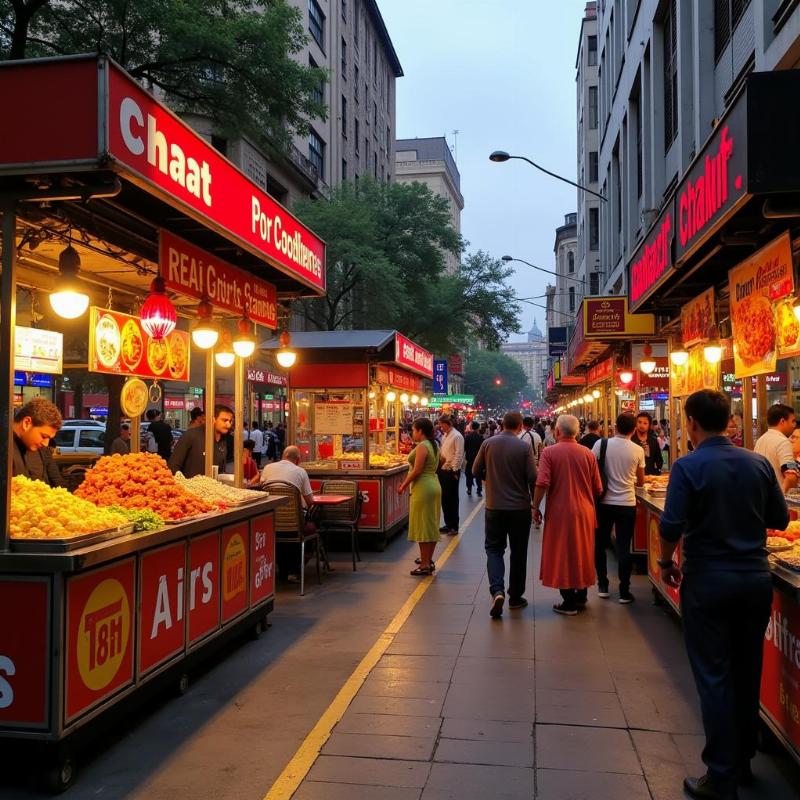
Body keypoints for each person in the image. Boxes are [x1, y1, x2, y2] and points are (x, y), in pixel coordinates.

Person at [659, 390, 788, 800]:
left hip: (708, 581)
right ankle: (744, 758)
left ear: (692, 422)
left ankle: (721, 774)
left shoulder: (688, 466)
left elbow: (670, 525)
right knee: (747, 670)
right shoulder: (756, 463)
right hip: (753, 580)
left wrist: (665, 563)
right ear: (730, 420)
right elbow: (780, 518)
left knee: (714, 675)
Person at [533, 414, 602, 616]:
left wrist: (535, 506)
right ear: (577, 432)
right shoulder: (588, 454)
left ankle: (568, 602)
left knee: (562, 553)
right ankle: (581, 595)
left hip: (560, 512)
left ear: (557, 431)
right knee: (582, 550)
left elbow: (542, 482)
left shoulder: (549, 453)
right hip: (585, 511)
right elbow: (598, 487)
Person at [472, 411, 537, 617]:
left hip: (494, 507)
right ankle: (516, 597)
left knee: (494, 549)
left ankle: (497, 591)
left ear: (502, 424)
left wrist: (488, 477)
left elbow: (475, 470)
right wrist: (535, 504)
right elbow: (532, 477)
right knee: (519, 552)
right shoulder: (524, 447)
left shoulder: (488, 444)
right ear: (519, 426)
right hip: (519, 509)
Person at [592, 413, 645, 604]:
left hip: (604, 503)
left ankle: (603, 585)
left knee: (600, 543)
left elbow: (592, 471)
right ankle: (624, 590)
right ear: (633, 430)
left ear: (615, 427)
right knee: (624, 546)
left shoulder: (601, 444)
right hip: (627, 504)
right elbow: (641, 481)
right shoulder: (637, 450)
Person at [261, 446, 316, 582]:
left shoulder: (268, 468)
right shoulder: (300, 471)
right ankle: (295, 570)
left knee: (280, 535)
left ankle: (281, 569)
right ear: (297, 460)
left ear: (282, 456)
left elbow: (262, 489)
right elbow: (310, 501)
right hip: (294, 525)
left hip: (271, 523)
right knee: (311, 528)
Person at [397, 418, 442, 576]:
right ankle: (428, 560)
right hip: (433, 484)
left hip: (423, 487)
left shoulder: (423, 446)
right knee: (431, 524)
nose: (412, 433)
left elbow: (416, 470)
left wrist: (403, 485)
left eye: (414, 430)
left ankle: (424, 565)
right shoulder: (434, 444)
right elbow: (441, 461)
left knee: (423, 525)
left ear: (420, 431)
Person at [168, 405, 233, 478]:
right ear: (213, 419)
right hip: (190, 486)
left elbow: (221, 469)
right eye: (224, 420)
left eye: (230, 421)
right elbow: (173, 466)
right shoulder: (191, 435)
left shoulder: (226, 440)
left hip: (214, 486)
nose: (228, 424)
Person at [12, 397, 63, 487]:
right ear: (26, 423)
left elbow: (58, 483)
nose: (45, 444)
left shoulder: (43, 450)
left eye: (49, 439)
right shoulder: (6, 447)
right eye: (43, 436)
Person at [754, 403, 798, 494]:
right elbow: (791, 474)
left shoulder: (760, 440)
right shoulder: (784, 442)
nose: (794, 425)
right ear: (782, 421)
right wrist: (782, 494)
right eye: (792, 421)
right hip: (776, 498)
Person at [437, 414, 464, 534]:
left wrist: (455, 470)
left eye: (441, 424)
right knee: (444, 498)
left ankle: (454, 526)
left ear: (447, 424)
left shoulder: (457, 436)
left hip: (451, 471)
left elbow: (459, 454)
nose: (440, 427)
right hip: (443, 469)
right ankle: (448, 524)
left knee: (452, 498)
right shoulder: (445, 436)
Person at [633, 411, 663, 475]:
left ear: (649, 425)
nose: (642, 425)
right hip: (633, 476)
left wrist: (657, 472)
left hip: (651, 476)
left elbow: (659, 460)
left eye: (645, 423)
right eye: (639, 422)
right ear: (636, 423)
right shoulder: (631, 440)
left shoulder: (653, 441)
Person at [463, 420, 484, 497]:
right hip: (478, 460)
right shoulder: (481, 437)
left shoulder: (468, 437)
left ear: (471, 427)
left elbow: (464, 448)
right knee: (478, 475)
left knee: (468, 475)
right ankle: (479, 490)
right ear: (478, 428)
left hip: (469, 459)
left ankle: (469, 489)